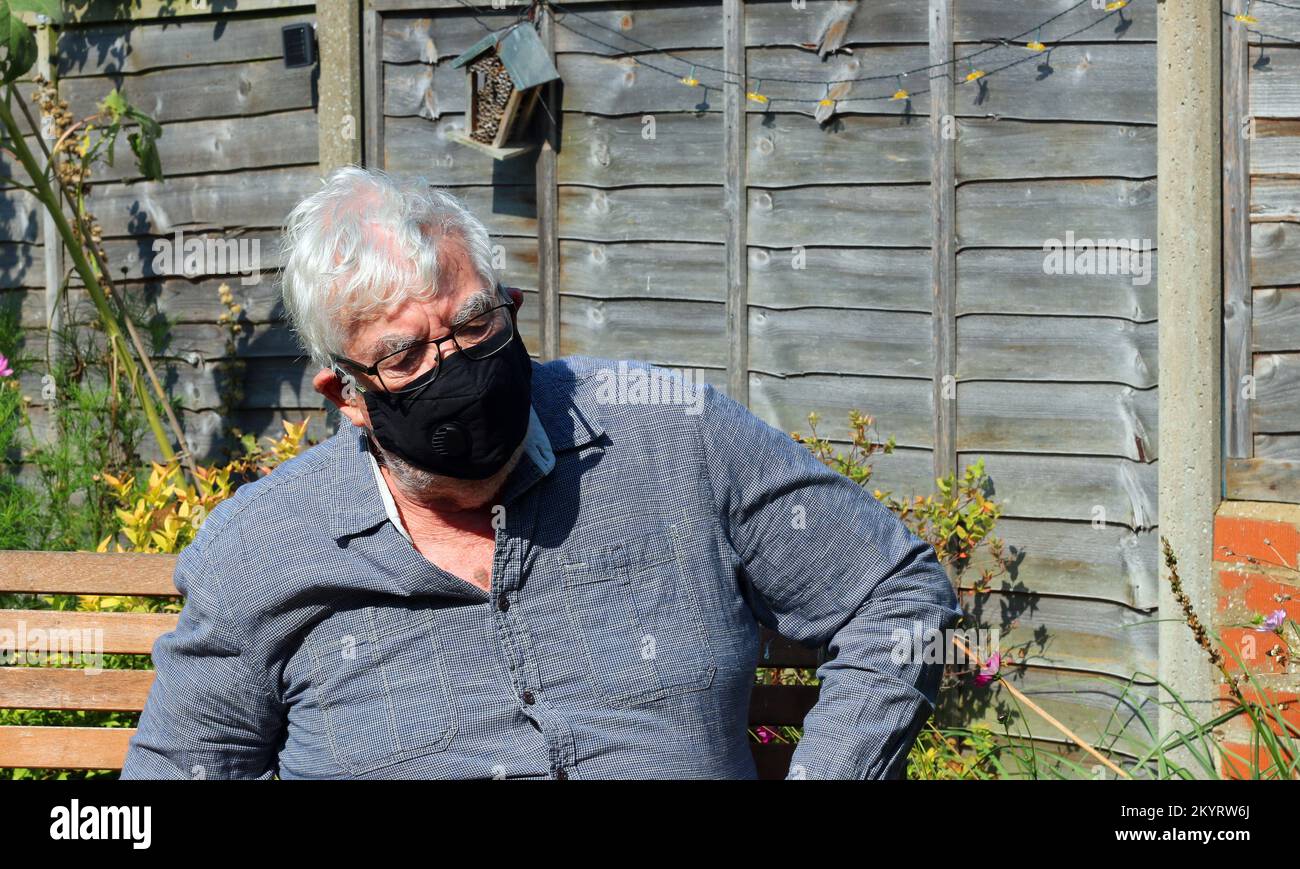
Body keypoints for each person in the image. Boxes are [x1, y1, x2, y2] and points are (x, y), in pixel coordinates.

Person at [120, 167, 961, 779]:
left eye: (474, 320)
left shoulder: (670, 433)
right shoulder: (263, 549)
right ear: (346, 395)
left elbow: (891, 589)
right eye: (405, 354)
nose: (455, 363)